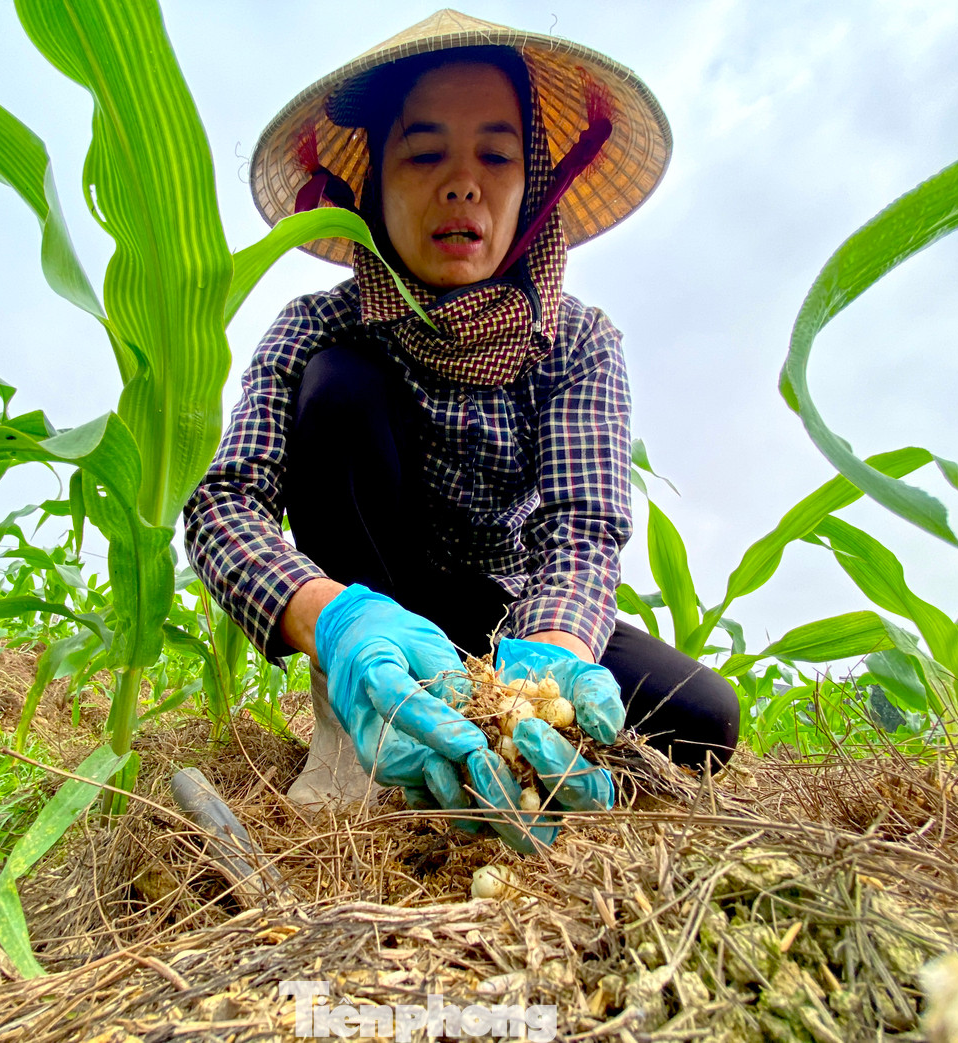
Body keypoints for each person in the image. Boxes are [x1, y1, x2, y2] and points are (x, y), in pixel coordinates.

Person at [184, 10, 739, 852]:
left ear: (535, 183)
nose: (462, 183)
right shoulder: (313, 328)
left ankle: (516, 759)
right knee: (342, 386)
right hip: (375, 606)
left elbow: (581, 530)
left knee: (703, 718)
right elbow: (224, 502)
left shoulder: (579, 342)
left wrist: (541, 671)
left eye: (495, 155)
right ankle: (357, 731)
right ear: (371, 186)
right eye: (424, 152)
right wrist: (331, 618)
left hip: (512, 618)